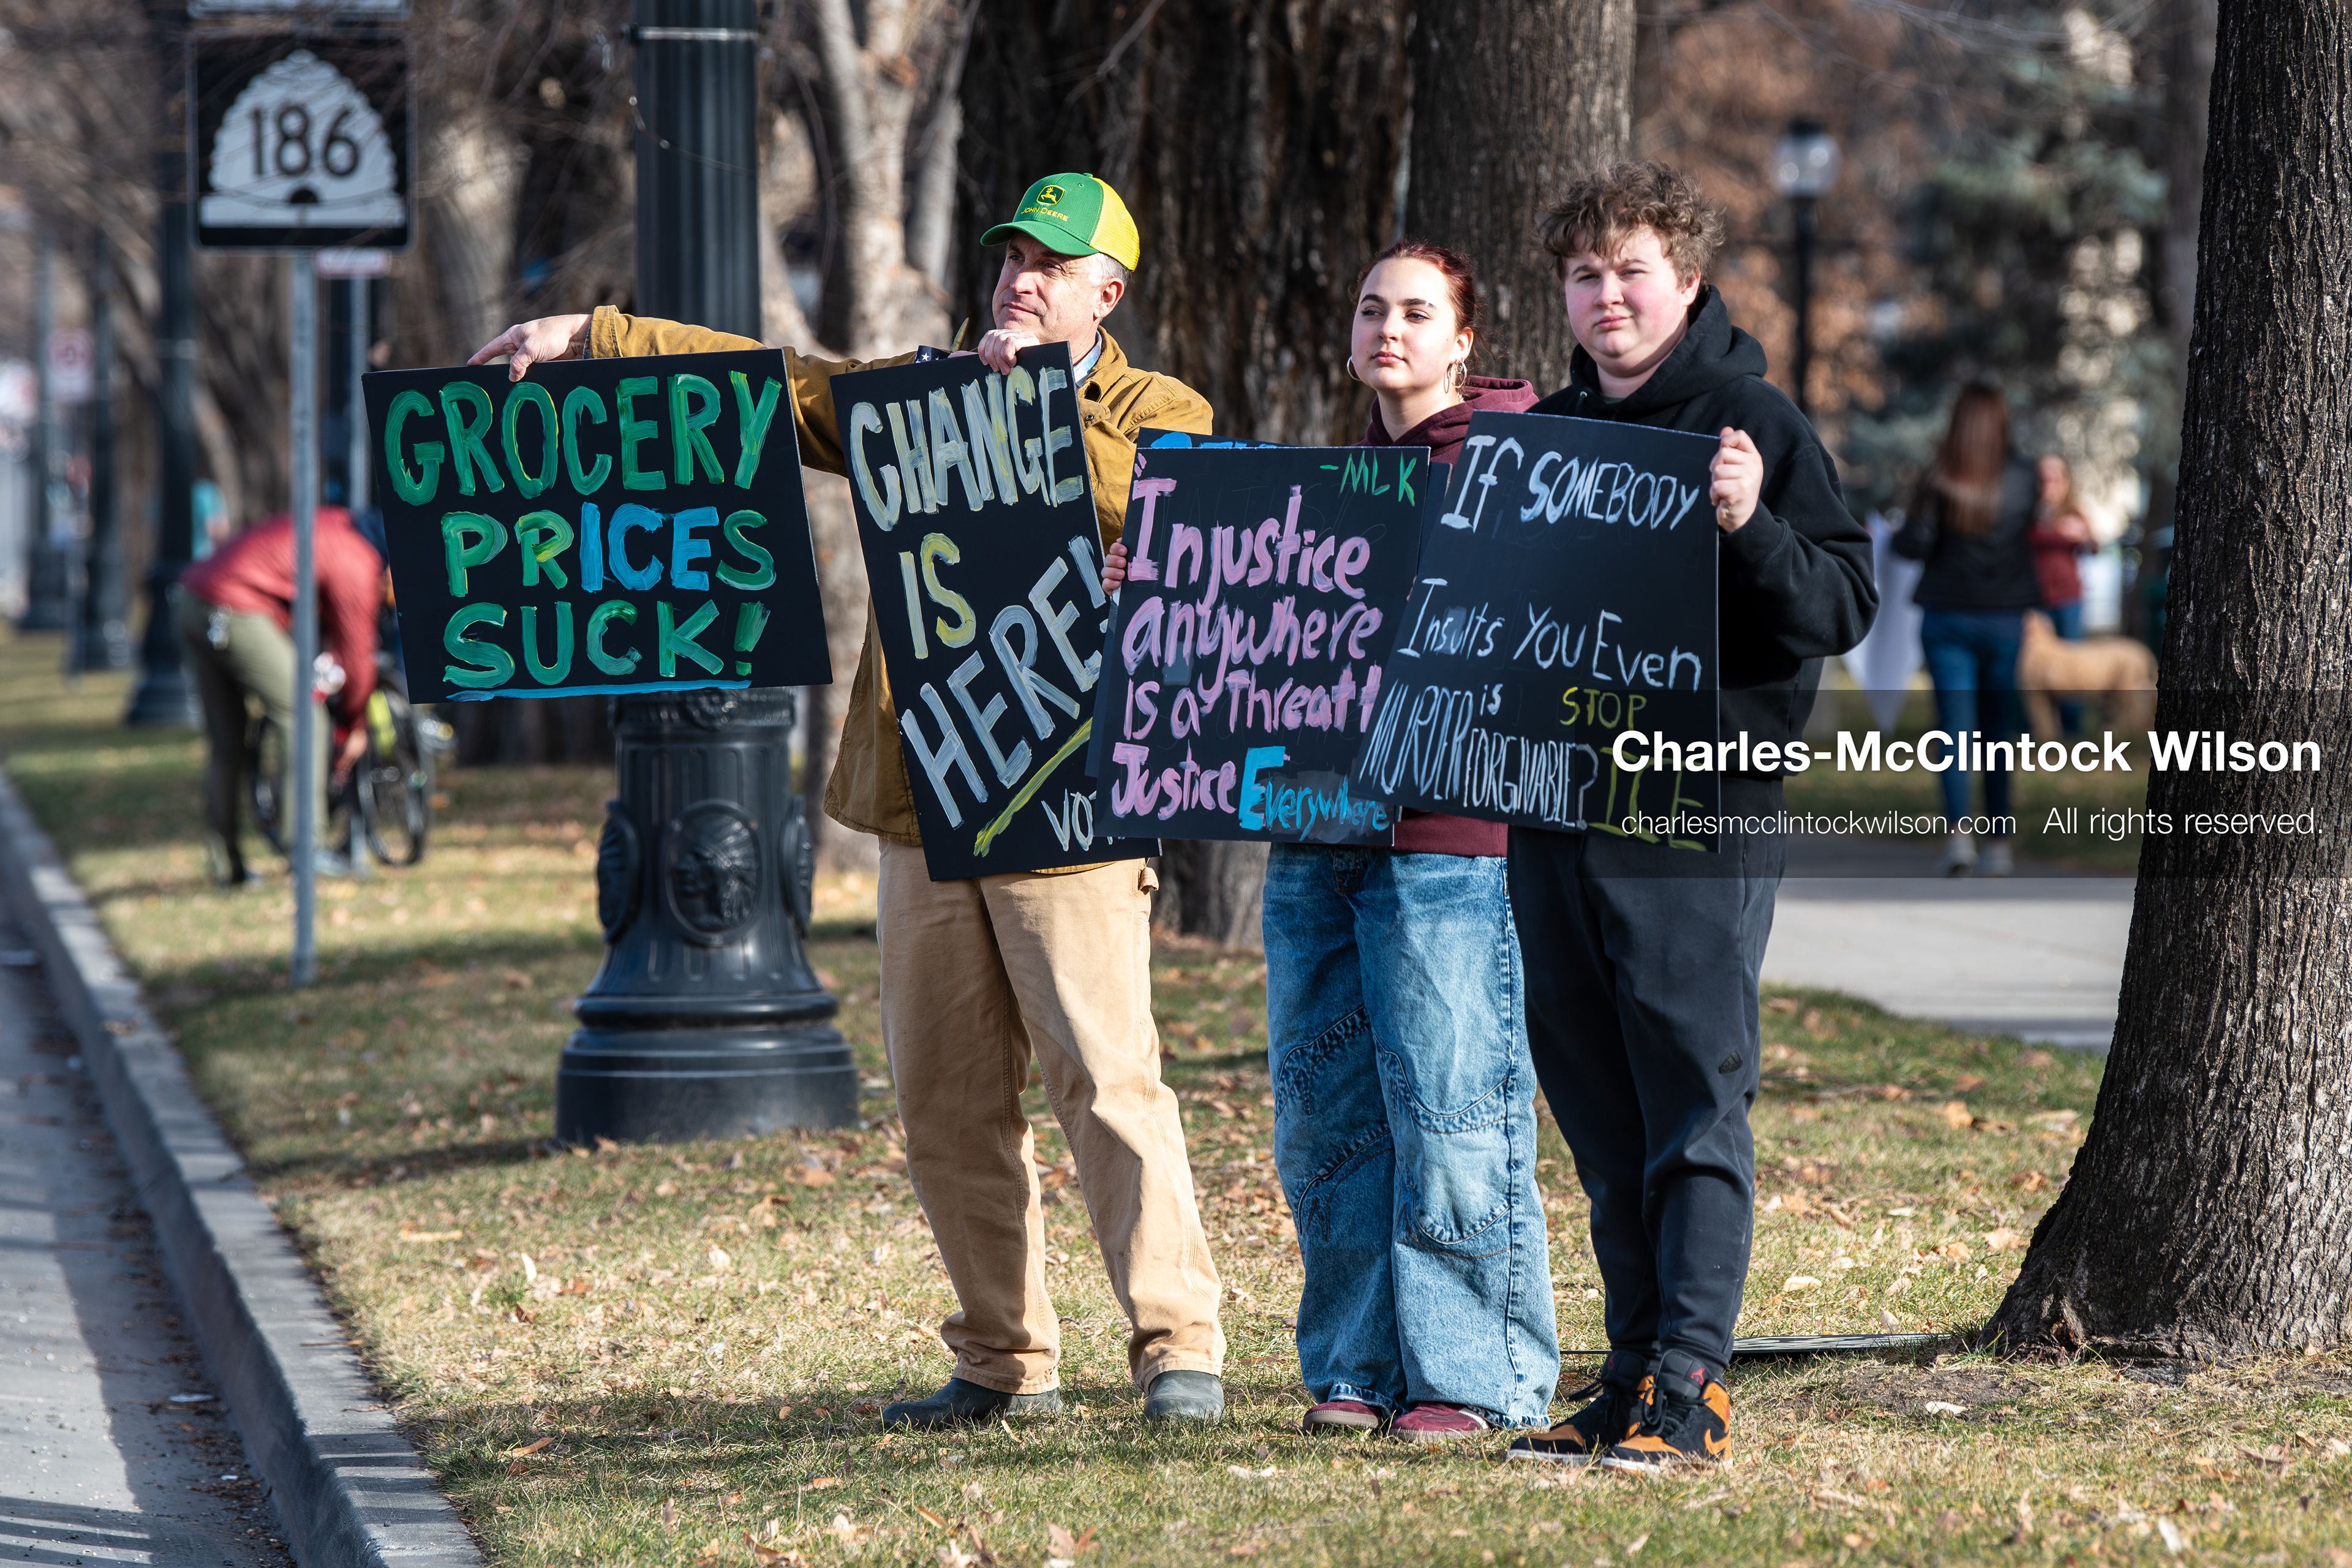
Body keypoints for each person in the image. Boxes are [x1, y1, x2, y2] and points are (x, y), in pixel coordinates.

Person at [469, 173, 1229, 1430]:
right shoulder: (928, 390)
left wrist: (1026, 389)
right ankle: (1001, 1360)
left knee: (1105, 1077)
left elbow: (1148, 503)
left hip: (1068, 799)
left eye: (1052, 262)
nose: (1021, 278)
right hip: (928, 792)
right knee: (944, 1099)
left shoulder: (1158, 407)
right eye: (1010, 259)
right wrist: (596, 337)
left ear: (1111, 290)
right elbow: (780, 385)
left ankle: (1178, 1346)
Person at [1107, 241, 1559, 1444]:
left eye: (1418, 311)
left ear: (1465, 339)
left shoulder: (1507, 464)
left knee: (1453, 1109)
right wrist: (1163, 580)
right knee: (1329, 1112)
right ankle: (1357, 1363)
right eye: (1372, 309)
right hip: (1312, 824)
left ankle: (1472, 1374)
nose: (1390, 328)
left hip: (1444, 840)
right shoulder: (1334, 479)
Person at [1500, 161, 1875, 1472]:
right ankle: (1627, 1371)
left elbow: (1839, 604)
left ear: (1690, 284)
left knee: (1690, 1094)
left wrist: (1750, 521)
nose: (1609, 297)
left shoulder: (1750, 415)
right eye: (1586, 276)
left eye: (1634, 273)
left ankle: (1694, 1384)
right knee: (1599, 1104)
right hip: (1558, 808)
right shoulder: (1542, 438)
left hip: (1697, 809)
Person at [175, 505, 381, 886]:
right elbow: (357, 656)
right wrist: (355, 723)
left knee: (226, 742)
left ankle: (226, 867)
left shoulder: (336, 522)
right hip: (234, 606)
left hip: (192, 598)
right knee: (305, 716)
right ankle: (308, 852)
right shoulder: (359, 558)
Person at [1892, 383, 2040, 877]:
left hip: (1947, 615)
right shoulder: (2025, 476)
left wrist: (1895, 533)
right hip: (2004, 615)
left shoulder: (1940, 476)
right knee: (1998, 732)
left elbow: (1915, 544)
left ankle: (1960, 838)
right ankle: (1998, 842)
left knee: (1954, 731)